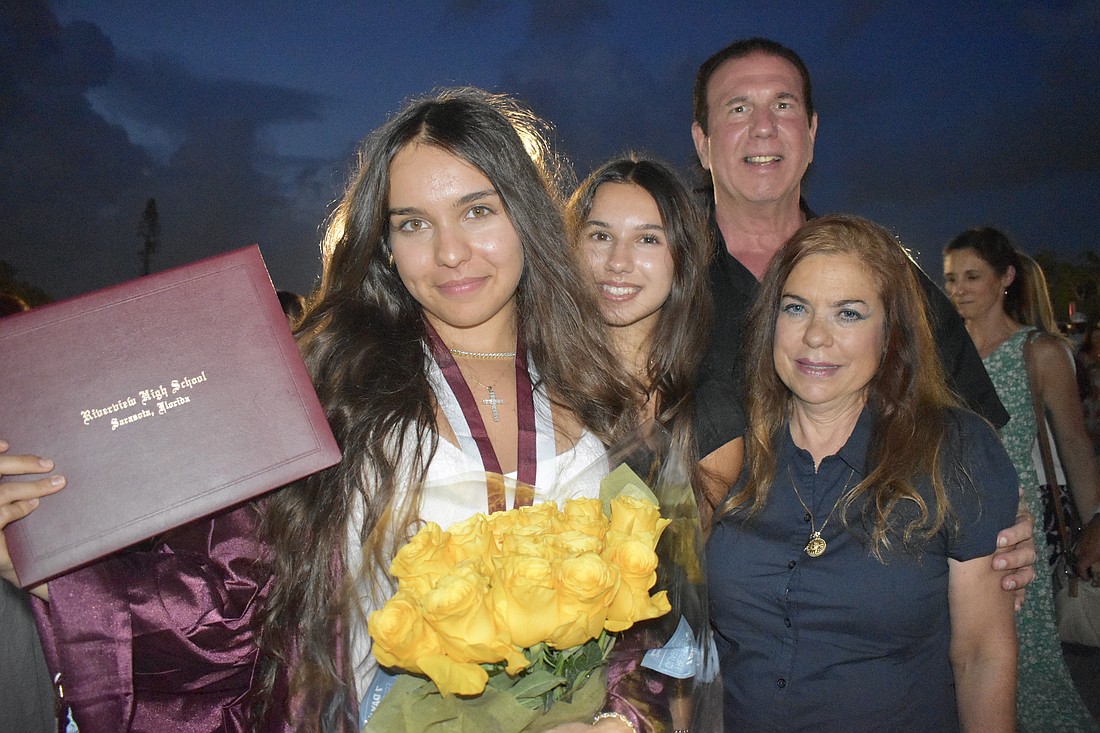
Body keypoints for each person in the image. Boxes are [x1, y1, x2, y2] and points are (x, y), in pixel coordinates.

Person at [253, 88, 664, 733]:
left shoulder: (597, 389)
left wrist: (625, 721)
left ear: (525, 217)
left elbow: (646, 650)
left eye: (477, 212)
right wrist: (59, 555)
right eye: (413, 223)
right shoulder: (337, 400)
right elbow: (221, 597)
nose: (450, 253)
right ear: (385, 245)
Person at [689, 35, 1037, 597]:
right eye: (737, 108)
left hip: (866, 608)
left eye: (783, 105)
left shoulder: (883, 277)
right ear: (702, 144)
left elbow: (971, 426)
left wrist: (1005, 530)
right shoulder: (660, 278)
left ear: (812, 135)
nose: (762, 127)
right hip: (689, 616)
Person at [708, 214, 1018, 731]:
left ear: (891, 331)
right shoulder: (731, 448)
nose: (815, 337)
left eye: (848, 314)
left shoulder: (954, 450)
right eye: (796, 308)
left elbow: (982, 655)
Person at [944, 227, 1100, 731]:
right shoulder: (943, 354)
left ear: (1005, 278)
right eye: (951, 279)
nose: (959, 289)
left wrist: (1096, 519)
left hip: (1015, 528)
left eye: (972, 276)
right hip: (947, 522)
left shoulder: (1040, 352)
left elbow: (1075, 444)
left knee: (1023, 667)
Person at [566, 154, 744, 530]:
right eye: (600, 236)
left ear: (682, 258)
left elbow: (681, 568)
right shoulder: (535, 380)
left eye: (647, 239)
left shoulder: (709, 415)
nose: (618, 261)